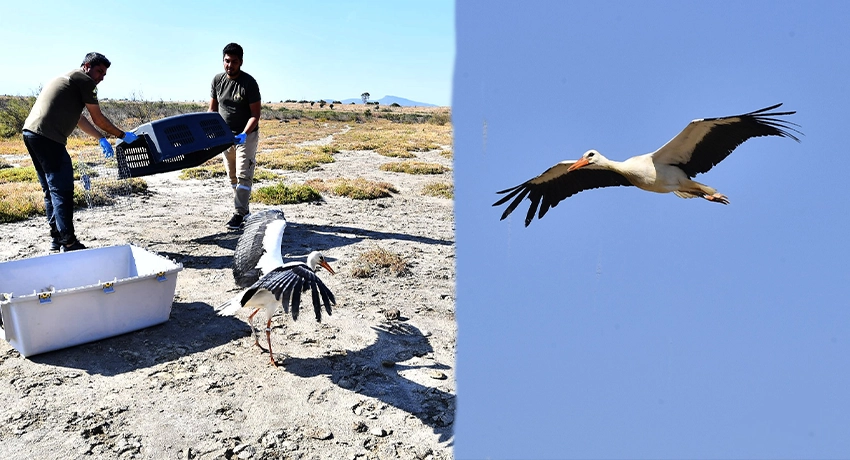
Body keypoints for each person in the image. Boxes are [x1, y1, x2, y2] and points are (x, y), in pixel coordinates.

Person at [22, 52, 138, 252]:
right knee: (62, 190)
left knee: (50, 190)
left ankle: (57, 239)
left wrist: (100, 138)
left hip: (31, 134)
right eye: (99, 71)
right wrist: (121, 135)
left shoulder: (69, 78)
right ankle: (69, 242)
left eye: (104, 74)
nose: (101, 77)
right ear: (86, 66)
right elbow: (98, 118)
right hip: (49, 138)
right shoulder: (85, 81)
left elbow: (79, 119)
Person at [209, 42, 262, 230]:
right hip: (225, 137)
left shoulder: (249, 83)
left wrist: (244, 134)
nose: (229, 65)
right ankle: (244, 211)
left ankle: (239, 214)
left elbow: (255, 115)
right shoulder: (217, 80)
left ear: (241, 62)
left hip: (245, 137)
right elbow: (212, 110)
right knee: (232, 176)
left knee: (243, 175)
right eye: (226, 61)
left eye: (233, 61)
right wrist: (210, 132)